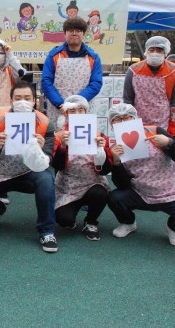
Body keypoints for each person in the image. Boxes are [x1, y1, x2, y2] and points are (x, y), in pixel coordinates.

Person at [0, 81, 58, 252]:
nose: (22, 101)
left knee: (46, 180)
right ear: (11, 100)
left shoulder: (45, 124)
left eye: (27, 98)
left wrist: (40, 150)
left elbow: (47, 162)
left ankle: (47, 231)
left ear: (34, 101)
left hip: (27, 172)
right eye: (18, 98)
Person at [107, 103, 175, 247]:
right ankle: (128, 223)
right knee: (115, 198)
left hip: (173, 192)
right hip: (141, 192)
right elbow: (122, 185)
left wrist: (169, 143)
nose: (123, 123)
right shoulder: (115, 147)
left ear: (135, 119)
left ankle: (173, 228)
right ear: (111, 124)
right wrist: (116, 162)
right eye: (117, 120)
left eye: (127, 118)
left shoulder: (155, 131)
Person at [52, 95, 111, 241]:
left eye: (81, 110)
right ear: (66, 114)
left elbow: (104, 170)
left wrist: (101, 151)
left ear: (86, 112)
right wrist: (63, 147)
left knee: (100, 192)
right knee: (63, 220)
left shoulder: (99, 135)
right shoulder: (59, 136)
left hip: (92, 184)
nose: (77, 114)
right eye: (72, 111)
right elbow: (57, 166)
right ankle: (73, 209)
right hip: (68, 187)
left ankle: (91, 221)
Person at [41, 17, 103, 126]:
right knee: (59, 139)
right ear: (65, 34)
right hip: (59, 109)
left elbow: (96, 84)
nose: (74, 33)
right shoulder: (53, 56)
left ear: (83, 34)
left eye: (78, 31)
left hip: (83, 108)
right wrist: (61, 104)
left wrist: (77, 104)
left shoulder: (93, 57)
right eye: (70, 30)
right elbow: (46, 82)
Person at [123, 36, 175, 137]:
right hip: (138, 122)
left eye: (159, 50)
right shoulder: (133, 70)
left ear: (165, 52)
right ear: (147, 51)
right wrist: (128, 122)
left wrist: (174, 125)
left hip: (163, 123)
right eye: (152, 50)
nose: (155, 53)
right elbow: (127, 99)